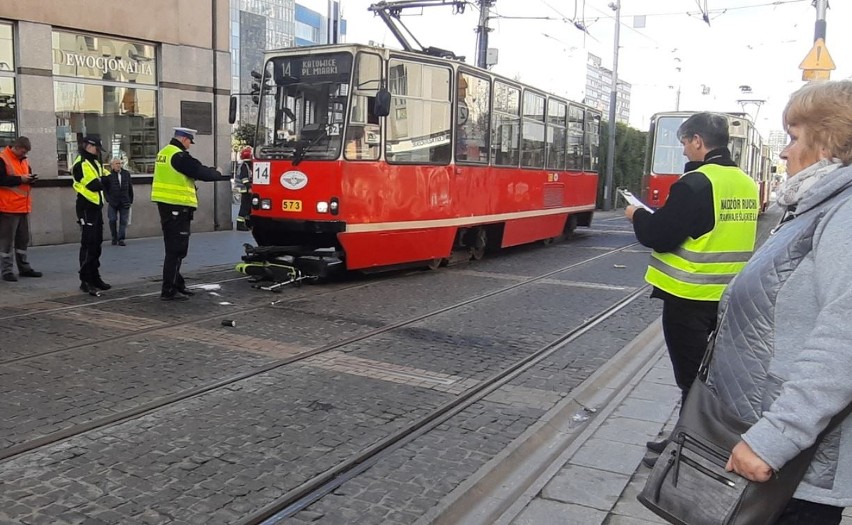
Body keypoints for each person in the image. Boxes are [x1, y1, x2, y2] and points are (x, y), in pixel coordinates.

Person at [706, 80, 852, 525]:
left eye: (793, 137)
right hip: (769, 440)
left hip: (795, 464)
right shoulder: (817, 205)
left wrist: (773, 439)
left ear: (831, 139)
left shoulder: (845, 212)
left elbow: (844, 338)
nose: (785, 152)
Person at [625, 112, 759, 462]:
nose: (683, 149)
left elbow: (659, 235)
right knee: (711, 375)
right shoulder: (746, 183)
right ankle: (687, 437)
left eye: (685, 142)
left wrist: (637, 216)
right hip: (728, 298)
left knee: (691, 379)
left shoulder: (696, 183)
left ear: (698, 141)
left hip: (690, 296)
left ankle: (685, 448)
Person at [152, 127, 231, 301]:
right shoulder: (178, 155)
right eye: (189, 142)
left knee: (174, 249)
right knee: (176, 250)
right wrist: (216, 173)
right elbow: (198, 171)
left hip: (168, 207)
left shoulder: (164, 152)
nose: (190, 146)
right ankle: (169, 289)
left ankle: (177, 284)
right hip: (177, 208)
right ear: (184, 139)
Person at [73, 136, 111, 295]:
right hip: (86, 207)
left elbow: (107, 176)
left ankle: (95, 276)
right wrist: (104, 180)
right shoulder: (81, 163)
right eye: (96, 148)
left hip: (96, 207)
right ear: (88, 146)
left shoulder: (94, 162)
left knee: (96, 244)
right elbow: (94, 185)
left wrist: (104, 179)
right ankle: (85, 280)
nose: (98, 152)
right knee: (88, 244)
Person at [0, 136, 42, 282]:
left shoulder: (24, 160)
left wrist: (30, 180)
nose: (25, 154)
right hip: (8, 207)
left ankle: (24, 267)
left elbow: (24, 177)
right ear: (16, 147)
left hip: (22, 206)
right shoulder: (3, 158)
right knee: (6, 241)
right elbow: (2, 179)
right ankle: (6, 271)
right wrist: (21, 179)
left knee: (22, 240)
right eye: (23, 151)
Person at [102, 157, 133, 246]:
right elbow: (105, 188)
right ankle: (114, 237)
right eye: (116, 164)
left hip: (124, 201)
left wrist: (130, 199)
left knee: (123, 221)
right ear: (112, 166)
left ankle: (121, 239)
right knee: (112, 219)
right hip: (113, 202)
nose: (118, 165)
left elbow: (130, 187)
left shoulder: (126, 174)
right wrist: (107, 198)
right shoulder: (109, 176)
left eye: (119, 163)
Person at [236, 146, 252, 231]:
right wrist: (249, 187)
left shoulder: (246, 165)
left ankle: (247, 223)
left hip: (246, 189)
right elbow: (244, 178)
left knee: (248, 207)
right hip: (245, 189)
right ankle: (240, 224)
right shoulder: (245, 166)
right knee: (244, 207)